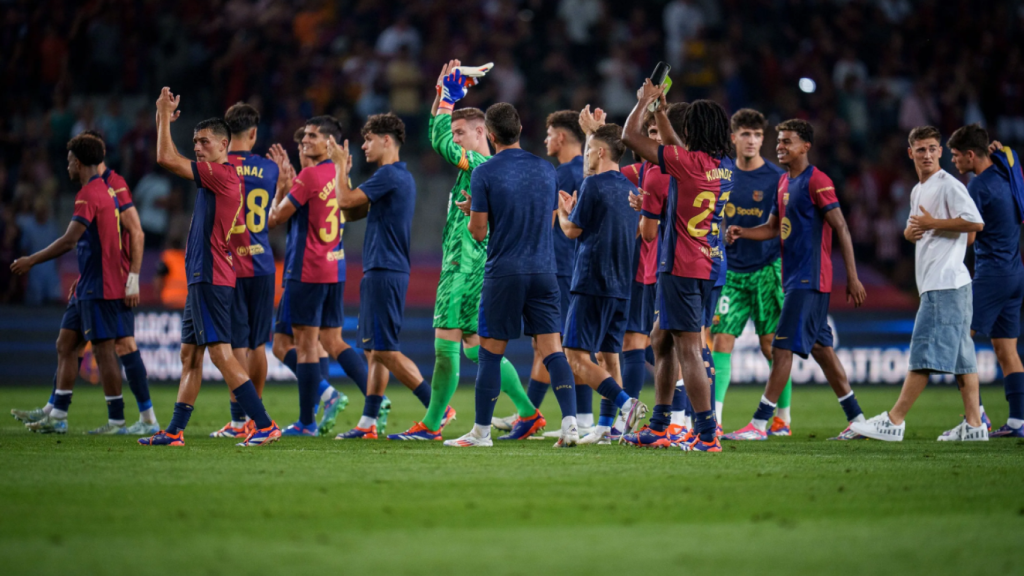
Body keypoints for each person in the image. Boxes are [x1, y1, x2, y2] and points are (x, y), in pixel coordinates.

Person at [388, 61, 542, 441]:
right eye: (454, 131)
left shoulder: (479, 164)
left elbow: (437, 140)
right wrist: (443, 97)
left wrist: (446, 101)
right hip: (476, 266)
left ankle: (432, 423)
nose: (454, 138)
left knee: (445, 346)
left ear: (481, 132)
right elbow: (439, 135)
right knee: (475, 348)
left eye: (461, 132)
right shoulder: (480, 169)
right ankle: (528, 413)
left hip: (464, 265)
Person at [139, 87, 280, 447]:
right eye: (195, 142)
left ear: (223, 144)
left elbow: (166, 158)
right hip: (202, 274)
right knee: (190, 355)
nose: (198, 147)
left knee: (220, 353)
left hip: (212, 274)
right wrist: (163, 119)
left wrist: (162, 116)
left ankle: (264, 425)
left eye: (204, 142)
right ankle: (175, 431)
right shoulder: (216, 175)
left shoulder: (222, 173)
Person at [445, 102, 580, 448]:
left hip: (504, 271)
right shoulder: (547, 169)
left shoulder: (484, 172)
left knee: (490, 354)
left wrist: (474, 211)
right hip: (544, 270)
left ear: (490, 135)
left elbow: (478, 232)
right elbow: (551, 220)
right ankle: (570, 426)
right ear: (519, 129)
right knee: (553, 351)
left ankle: (481, 433)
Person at [723, 118, 867, 442]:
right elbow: (773, 228)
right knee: (822, 349)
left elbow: (841, 227)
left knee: (781, 348)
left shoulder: (818, 181)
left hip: (809, 279)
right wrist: (743, 232)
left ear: (806, 146)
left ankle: (760, 424)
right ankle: (857, 420)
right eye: (779, 141)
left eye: (787, 141)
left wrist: (853, 277)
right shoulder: (784, 182)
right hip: (793, 279)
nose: (780, 146)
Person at [11, 131, 160, 435]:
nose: (67, 166)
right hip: (89, 283)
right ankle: (57, 414)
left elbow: (71, 240)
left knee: (107, 350)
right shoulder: (103, 190)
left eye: (69, 161)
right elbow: (97, 242)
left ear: (78, 162)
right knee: (66, 343)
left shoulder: (94, 192)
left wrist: (31, 260)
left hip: (103, 285)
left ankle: (119, 421)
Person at [851, 126, 986, 442]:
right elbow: (955, 235)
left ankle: (894, 420)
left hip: (944, 285)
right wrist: (909, 234)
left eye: (933, 148)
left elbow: (976, 223)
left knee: (923, 354)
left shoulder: (949, 185)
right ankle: (974, 425)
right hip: (950, 284)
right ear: (910, 153)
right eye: (921, 149)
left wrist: (933, 224)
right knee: (963, 360)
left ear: (940, 151)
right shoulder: (917, 190)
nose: (927, 155)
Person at [620, 81, 731, 452]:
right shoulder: (724, 167)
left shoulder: (684, 165)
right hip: (707, 263)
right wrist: (663, 113)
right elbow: (676, 147)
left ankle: (706, 434)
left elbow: (629, 136)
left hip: (681, 265)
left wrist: (643, 104)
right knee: (660, 338)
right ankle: (659, 427)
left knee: (688, 348)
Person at [264, 115, 369, 437]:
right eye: (303, 138)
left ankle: (308, 419)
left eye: (312, 136)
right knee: (328, 341)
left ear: (329, 143)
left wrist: (280, 188)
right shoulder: (338, 174)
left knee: (304, 346)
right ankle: (372, 399)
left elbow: (274, 219)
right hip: (334, 267)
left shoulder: (308, 176)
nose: (305, 141)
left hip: (307, 269)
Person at [333, 113, 431, 439]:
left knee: (386, 350)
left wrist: (338, 167)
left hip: (385, 269)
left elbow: (344, 200)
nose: (363, 146)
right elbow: (351, 211)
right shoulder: (395, 177)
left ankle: (437, 409)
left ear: (386, 140)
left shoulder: (389, 174)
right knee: (374, 351)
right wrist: (345, 177)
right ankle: (368, 423)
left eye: (368, 139)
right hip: (382, 268)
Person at [497, 109, 587, 434]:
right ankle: (529, 414)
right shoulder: (588, 171)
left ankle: (583, 416)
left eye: (549, 135)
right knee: (550, 344)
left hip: (558, 264)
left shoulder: (560, 174)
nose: (546, 140)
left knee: (560, 346)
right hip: (575, 264)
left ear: (560, 137)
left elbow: (545, 220)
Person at [198, 102, 286, 437]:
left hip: (228, 267)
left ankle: (239, 420)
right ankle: (254, 414)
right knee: (257, 345)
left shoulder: (216, 167)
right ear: (254, 133)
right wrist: (284, 184)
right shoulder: (269, 168)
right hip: (263, 264)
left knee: (235, 344)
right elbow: (274, 215)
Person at [558, 122, 648, 444]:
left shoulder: (593, 185)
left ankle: (627, 404)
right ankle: (605, 429)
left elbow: (572, 231)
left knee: (575, 357)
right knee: (609, 358)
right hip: (621, 286)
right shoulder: (632, 189)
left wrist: (564, 212)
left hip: (592, 281)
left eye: (587, 150)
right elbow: (634, 231)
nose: (585, 156)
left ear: (599, 152)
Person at [710, 109, 790, 433]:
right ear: (733, 138)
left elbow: (782, 226)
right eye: (745, 134)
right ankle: (714, 420)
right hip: (731, 271)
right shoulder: (722, 173)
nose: (752, 140)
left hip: (767, 270)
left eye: (757, 134)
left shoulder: (776, 178)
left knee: (770, 345)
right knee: (721, 341)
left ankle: (783, 417)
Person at [950, 125, 1023, 438]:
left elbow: (968, 238)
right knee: (1006, 350)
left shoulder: (978, 186)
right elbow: (1010, 156)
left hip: (992, 274)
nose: (953, 160)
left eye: (956, 155)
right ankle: (1018, 422)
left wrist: (935, 230)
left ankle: (976, 416)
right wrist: (1000, 151)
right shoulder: (1008, 171)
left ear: (971, 155)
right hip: (1015, 272)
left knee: (957, 339)